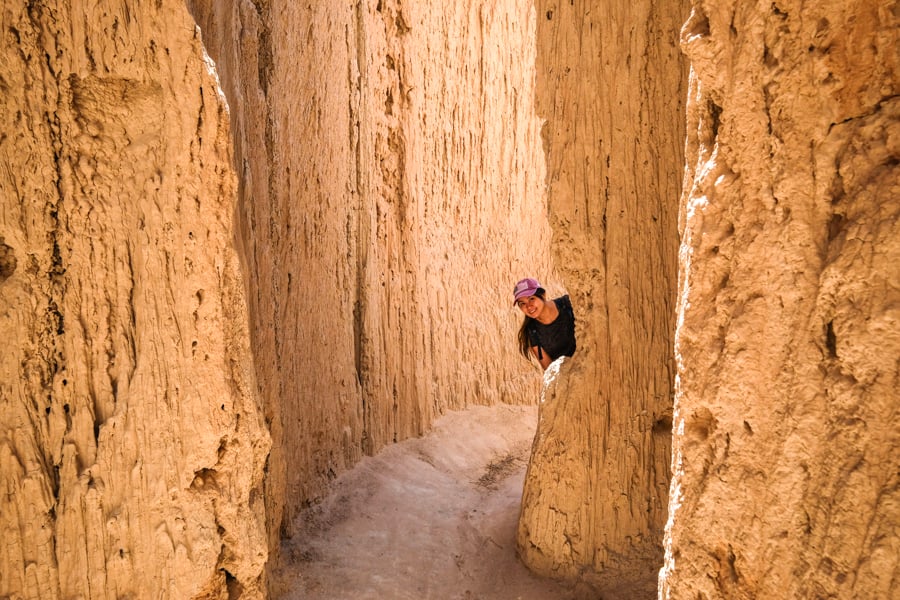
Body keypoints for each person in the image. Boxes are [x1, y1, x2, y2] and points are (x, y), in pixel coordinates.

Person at [513, 277, 576, 371]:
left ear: (543, 295)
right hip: (569, 376)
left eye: (531, 299)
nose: (528, 306)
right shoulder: (532, 332)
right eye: (522, 303)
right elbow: (549, 369)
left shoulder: (567, 304)